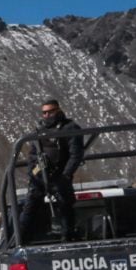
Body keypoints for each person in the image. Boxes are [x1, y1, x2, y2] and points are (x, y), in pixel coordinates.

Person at [16, 99, 86, 244]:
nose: (47, 115)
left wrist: (66, 175)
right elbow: (33, 154)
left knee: (65, 207)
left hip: (60, 176)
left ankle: (67, 238)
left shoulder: (70, 128)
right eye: (44, 113)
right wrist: (33, 172)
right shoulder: (40, 130)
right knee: (29, 209)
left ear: (58, 110)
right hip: (39, 177)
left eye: (50, 112)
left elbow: (76, 155)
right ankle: (20, 240)